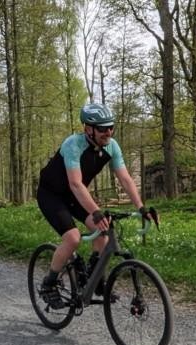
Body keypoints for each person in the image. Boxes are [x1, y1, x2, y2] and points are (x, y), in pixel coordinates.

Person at [36, 103, 158, 309]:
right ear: (88, 128)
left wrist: (140, 207)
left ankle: (94, 278)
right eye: (102, 128)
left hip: (76, 195)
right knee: (73, 239)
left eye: (111, 127)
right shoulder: (73, 144)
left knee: (104, 232)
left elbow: (126, 179)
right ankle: (49, 285)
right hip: (52, 195)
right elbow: (75, 182)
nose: (108, 132)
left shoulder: (111, 146)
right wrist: (96, 211)